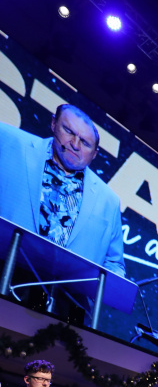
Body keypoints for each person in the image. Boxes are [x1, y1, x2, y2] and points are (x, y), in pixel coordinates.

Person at [0, 104, 125, 276]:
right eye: (69, 131)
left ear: (94, 154)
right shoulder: (8, 141)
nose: (75, 144)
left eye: (85, 143)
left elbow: (114, 265)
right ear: (53, 123)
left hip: (61, 290)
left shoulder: (109, 201)